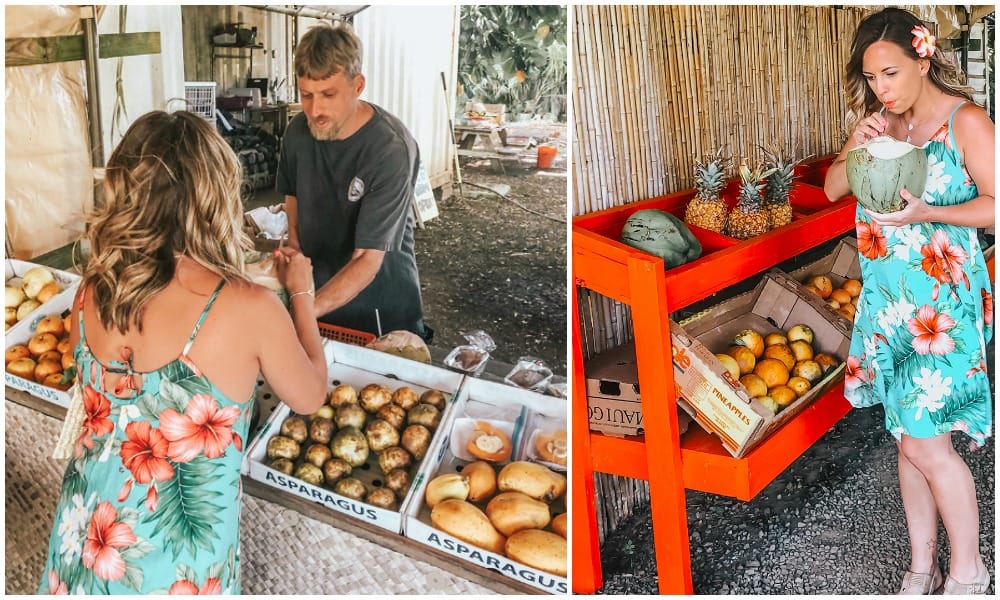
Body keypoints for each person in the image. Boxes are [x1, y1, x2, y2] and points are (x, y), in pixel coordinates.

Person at [39, 110, 328, 594]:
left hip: (79, 548)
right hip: (172, 575)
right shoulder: (246, 305)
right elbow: (310, 395)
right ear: (215, 194)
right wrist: (302, 295)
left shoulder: (90, 290)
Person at [824, 8, 993, 596]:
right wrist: (853, 144)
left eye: (891, 73)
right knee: (907, 437)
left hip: (939, 316)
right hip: (888, 309)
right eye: (872, 79)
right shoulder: (881, 127)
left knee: (928, 444)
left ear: (923, 59)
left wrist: (929, 213)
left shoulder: (965, 122)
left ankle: (970, 573)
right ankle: (923, 567)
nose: (882, 89)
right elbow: (831, 189)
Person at [275, 22, 430, 341]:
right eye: (306, 95)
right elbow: (294, 208)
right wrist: (294, 271)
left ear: (357, 86)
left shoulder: (390, 149)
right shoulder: (297, 133)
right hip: (316, 305)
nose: (315, 110)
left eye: (328, 94)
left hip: (380, 315)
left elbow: (366, 259)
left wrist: (302, 310)